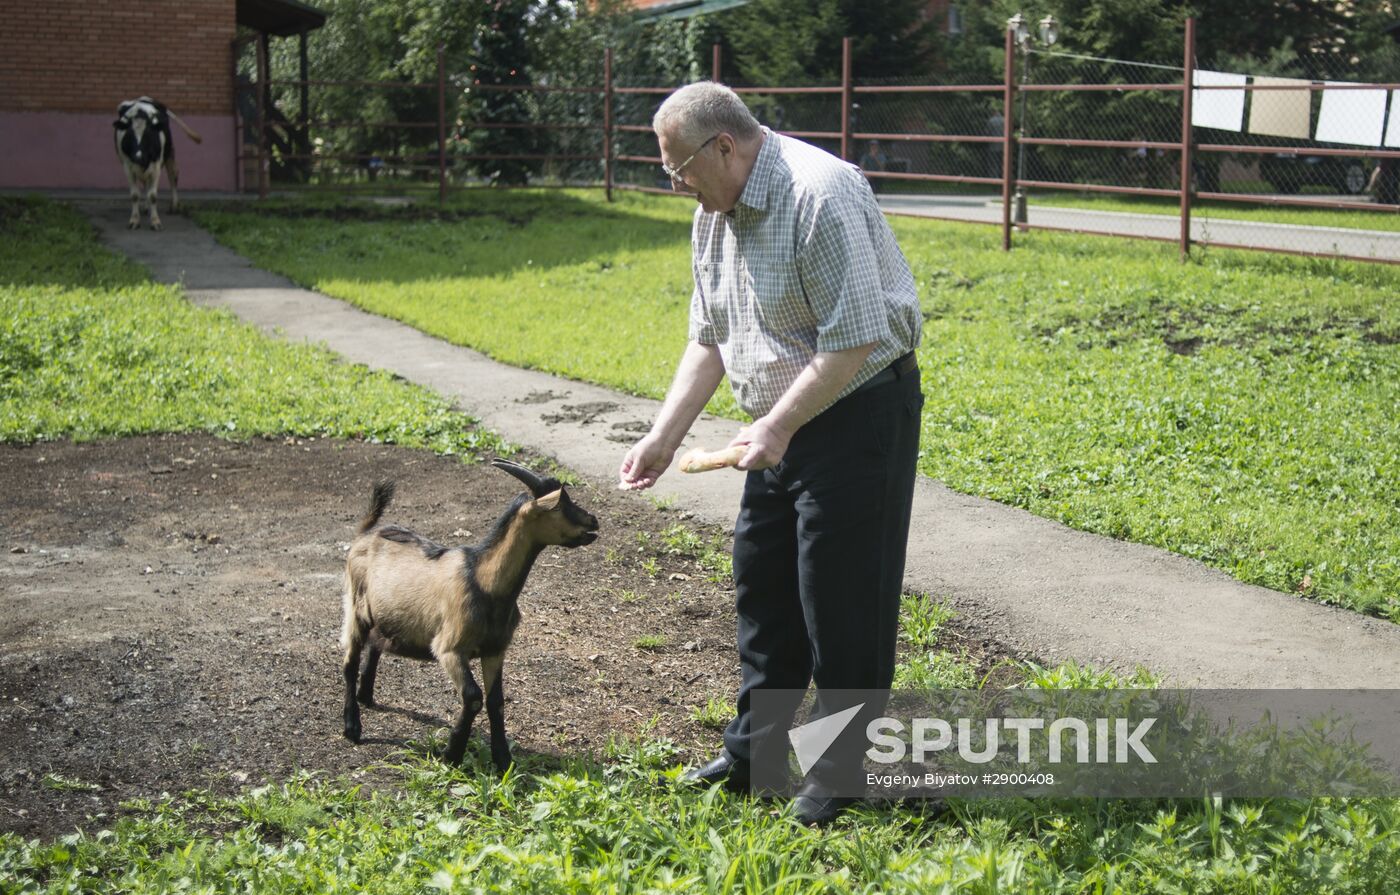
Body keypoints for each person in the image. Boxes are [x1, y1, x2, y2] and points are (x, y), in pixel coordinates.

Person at [618, 82, 923, 826]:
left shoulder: (819, 195)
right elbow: (710, 337)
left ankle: (842, 773)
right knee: (765, 590)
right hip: (777, 426)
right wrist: (664, 433)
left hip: (857, 412)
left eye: (680, 166)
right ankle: (755, 750)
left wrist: (780, 426)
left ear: (725, 145)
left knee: (841, 604)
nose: (676, 182)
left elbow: (852, 339)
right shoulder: (712, 213)